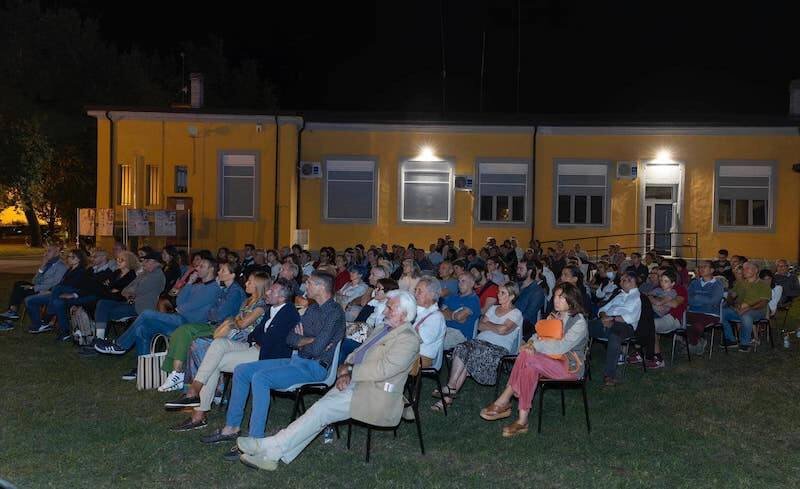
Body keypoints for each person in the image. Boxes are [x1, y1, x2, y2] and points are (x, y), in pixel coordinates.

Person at [235, 289, 420, 471]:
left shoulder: (407, 339)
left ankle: (268, 445)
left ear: (404, 314)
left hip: (376, 393)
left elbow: (384, 370)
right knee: (319, 413)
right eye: (386, 306)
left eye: (390, 308)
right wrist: (347, 369)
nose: (385, 311)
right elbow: (358, 352)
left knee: (321, 411)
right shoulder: (383, 328)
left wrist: (350, 371)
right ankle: (273, 456)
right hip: (357, 382)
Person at [199, 271, 345, 445]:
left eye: (311, 283)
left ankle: (255, 440)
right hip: (297, 360)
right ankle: (231, 427)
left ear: (321, 287)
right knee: (242, 370)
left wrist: (304, 341)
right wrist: (307, 340)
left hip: (316, 367)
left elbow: (317, 349)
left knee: (261, 378)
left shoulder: (335, 313)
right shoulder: (312, 309)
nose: (306, 286)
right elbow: (290, 339)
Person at [167, 278, 300, 429]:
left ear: (282, 297)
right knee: (218, 344)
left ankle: (198, 412)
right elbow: (256, 334)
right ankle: (194, 391)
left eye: (272, 290)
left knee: (214, 363)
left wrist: (256, 336)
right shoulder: (272, 309)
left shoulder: (289, 313)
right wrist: (254, 337)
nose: (267, 292)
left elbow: (269, 338)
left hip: (265, 355)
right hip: (253, 347)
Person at [480, 282, 588, 437]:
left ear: (571, 300)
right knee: (528, 362)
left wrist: (534, 346)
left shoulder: (578, 321)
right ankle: (522, 421)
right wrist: (529, 343)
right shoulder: (553, 316)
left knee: (527, 357)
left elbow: (561, 347)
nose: (556, 300)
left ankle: (504, 399)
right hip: (548, 361)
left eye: (561, 298)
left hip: (570, 367)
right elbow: (537, 335)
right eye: (555, 296)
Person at [94, 257, 222, 366]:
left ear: (211, 270)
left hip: (188, 324)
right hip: (179, 319)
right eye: (198, 266)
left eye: (202, 266)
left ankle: (120, 345)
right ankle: (143, 368)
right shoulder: (196, 285)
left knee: (147, 314)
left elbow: (189, 306)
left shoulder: (214, 289)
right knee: (142, 328)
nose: (197, 268)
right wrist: (189, 282)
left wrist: (181, 307)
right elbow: (179, 301)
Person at [156, 266, 257, 393]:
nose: (218, 272)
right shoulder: (225, 289)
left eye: (223, 270)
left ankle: (178, 374)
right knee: (181, 331)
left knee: (186, 333)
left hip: (222, 328)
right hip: (216, 325)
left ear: (232, 275)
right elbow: (212, 310)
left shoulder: (235, 292)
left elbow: (218, 314)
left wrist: (211, 310)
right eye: (219, 269)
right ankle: (177, 373)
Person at [432, 282, 523, 413]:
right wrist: (495, 327)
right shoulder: (493, 309)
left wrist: (490, 325)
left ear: (512, 296)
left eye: (503, 293)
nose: (498, 295)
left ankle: (447, 397)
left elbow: (503, 330)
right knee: (462, 348)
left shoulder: (516, 313)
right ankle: (451, 389)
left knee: (469, 353)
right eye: (499, 292)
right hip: (479, 342)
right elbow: (480, 325)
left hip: (498, 348)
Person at [588, 271, 642, 386]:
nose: (620, 282)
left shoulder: (637, 298)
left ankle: (609, 375)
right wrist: (603, 317)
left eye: (623, 280)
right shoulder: (620, 294)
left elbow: (630, 318)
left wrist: (611, 319)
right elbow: (602, 309)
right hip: (606, 321)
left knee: (614, 336)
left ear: (632, 282)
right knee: (583, 326)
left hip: (625, 326)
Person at [27, 249, 89, 336]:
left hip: (69, 295)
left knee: (57, 299)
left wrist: (57, 292)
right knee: (30, 300)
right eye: (68, 256)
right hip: (57, 294)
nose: (68, 258)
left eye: (71, 257)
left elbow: (75, 287)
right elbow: (61, 284)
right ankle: (39, 324)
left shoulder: (81, 271)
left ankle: (47, 319)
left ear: (78, 259)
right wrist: (50, 291)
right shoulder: (69, 269)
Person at [0, 244, 66, 322]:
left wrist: (33, 287)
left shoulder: (61, 266)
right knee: (19, 283)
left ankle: (12, 312)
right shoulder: (48, 264)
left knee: (20, 288)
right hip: (38, 287)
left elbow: (54, 283)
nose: (45, 254)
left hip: (46, 291)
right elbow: (34, 281)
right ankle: (12, 311)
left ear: (57, 251)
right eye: (45, 251)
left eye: (49, 251)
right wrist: (42, 265)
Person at [720, 262, 770, 352]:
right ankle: (731, 339)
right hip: (739, 310)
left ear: (756, 270)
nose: (744, 270)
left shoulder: (763, 285)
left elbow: (763, 303)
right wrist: (733, 303)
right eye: (744, 268)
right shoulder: (740, 283)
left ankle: (745, 343)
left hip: (757, 311)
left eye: (748, 268)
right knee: (722, 312)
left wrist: (747, 308)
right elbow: (731, 296)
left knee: (746, 315)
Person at [648, 268, 687, 368]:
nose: (660, 279)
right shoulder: (657, 288)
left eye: (663, 277)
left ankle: (658, 359)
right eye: (660, 277)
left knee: (649, 325)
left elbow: (674, 304)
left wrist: (656, 300)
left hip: (673, 318)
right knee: (640, 322)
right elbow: (648, 296)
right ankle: (640, 352)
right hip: (657, 314)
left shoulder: (680, 289)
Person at [685, 260, 725, 355]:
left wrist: (697, 298)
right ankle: (695, 343)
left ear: (712, 270)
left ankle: (693, 344)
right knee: (679, 322)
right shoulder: (694, 283)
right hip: (693, 311)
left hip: (710, 313)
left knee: (697, 325)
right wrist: (701, 301)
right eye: (700, 267)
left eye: (704, 266)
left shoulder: (717, 284)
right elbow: (688, 299)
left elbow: (714, 301)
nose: (701, 269)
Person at [412, 277, 446, 369]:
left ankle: (387, 384)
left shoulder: (436, 317)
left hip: (421, 358)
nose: (415, 294)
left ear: (431, 295)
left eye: (420, 291)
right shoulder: (421, 311)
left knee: (388, 361)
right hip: (411, 353)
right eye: (415, 290)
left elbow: (419, 339)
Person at [440, 273, 481, 349]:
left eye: (463, 281)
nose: (460, 284)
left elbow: (459, 317)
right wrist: (454, 314)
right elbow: (440, 312)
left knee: (433, 343)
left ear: (471, 284)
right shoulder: (453, 296)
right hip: (443, 328)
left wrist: (448, 312)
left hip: (459, 334)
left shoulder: (473, 299)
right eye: (459, 281)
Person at [514, 260, 545, 340]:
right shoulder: (516, 285)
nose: (518, 271)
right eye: (517, 268)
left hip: (523, 328)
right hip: (510, 320)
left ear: (530, 271)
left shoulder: (537, 292)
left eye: (521, 269)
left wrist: (508, 322)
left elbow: (527, 316)